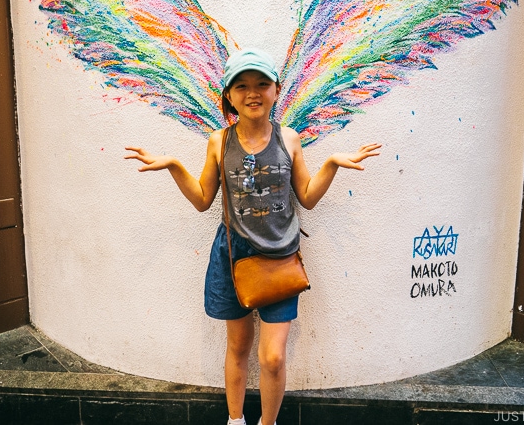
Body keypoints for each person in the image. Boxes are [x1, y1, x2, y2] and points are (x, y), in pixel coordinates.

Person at [125, 48, 381, 425]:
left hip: (281, 259)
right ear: (229, 95)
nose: (253, 92)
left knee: (272, 357)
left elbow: (307, 197)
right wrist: (174, 166)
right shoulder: (218, 142)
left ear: (277, 90)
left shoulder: (289, 139)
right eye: (242, 85)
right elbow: (201, 200)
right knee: (238, 347)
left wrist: (331, 164)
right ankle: (234, 420)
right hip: (234, 257)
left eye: (262, 83)